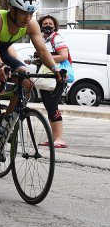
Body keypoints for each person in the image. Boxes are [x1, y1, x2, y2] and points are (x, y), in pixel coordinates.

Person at [0, 0, 62, 180]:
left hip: (2, 55)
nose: (27, 17)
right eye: (23, 12)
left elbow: (43, 51)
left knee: (26, 81)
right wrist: (0, 66)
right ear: (12, 9)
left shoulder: (31, 24)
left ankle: (7, 122)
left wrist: (55, 69)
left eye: (31, 13)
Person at [36, 15, 68, 148]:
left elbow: (64, 55)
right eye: (45, 23)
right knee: (49, 106)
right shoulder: (43, 39)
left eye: (50, 23)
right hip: (47, 76)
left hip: (57, 76)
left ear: (54, 26)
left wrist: (46, 58)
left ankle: (60, 138)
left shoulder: (57, 38)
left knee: (52, 106)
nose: (48, 25)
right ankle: (53, 138)